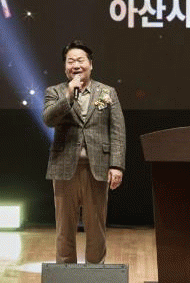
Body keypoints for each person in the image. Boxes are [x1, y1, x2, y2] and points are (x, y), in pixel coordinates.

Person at [43, 40, 126, 264]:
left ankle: (95, 273)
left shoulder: (108, 92)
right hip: (64, 169)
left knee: (96, 227)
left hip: (96, 169)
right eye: (71, 61)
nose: (76, 65)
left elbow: (117, 131)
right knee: (64, 228)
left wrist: (116, 165)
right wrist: (69, 95)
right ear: (65, 67)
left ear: (90, 64)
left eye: (80, 60)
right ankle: (65, 274)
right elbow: (49, 119)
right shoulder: (55, 92)